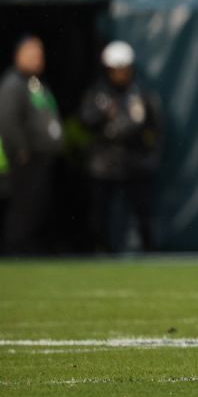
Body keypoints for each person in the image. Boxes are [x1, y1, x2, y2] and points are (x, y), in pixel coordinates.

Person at [79, 42, 162, 253]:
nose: (120, 74)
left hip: (135, 162)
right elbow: (86, 121)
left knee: (143, 212)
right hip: (105, 164)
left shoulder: (141, 94)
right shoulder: (98, 95)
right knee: (100, 213)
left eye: (124, 68)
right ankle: (100, 250)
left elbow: (155, 126)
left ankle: (148, 251)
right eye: (116, 69)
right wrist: (104, 115)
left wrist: (148, 151)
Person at [0, 37, 62, 255]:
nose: (38, 59)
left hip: (40, 159)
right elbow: (7, 119)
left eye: (40, 54)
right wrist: (20, 150)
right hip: (23, 159)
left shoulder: (35, 83)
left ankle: (25, 247)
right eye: (32, 54)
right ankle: (15, 249)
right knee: (22, 207)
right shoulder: (13, 83)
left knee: (35, 206)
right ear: (18, 55)